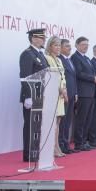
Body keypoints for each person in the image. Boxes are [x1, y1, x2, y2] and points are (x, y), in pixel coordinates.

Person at [19, 28, 49, 162]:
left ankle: (37, 150)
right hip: (32, 95)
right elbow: (25, 76)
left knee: (38, 125)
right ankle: (29, 153)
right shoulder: (27, 54)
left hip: (41, 94)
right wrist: (28, 96)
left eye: (44, 38)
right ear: (33, 38)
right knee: (31, 125)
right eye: (41, 38)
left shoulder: (40, 54)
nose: (43, 40)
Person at [71, 37, 96, 151]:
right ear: (77, 45)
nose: (85, 46)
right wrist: (93, 78)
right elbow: (78, 73)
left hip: (91, 92)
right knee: (81, 119)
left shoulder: (87, 58)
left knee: (88, 118)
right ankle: (79, 142)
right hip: (83, 92)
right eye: (83, 44)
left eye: (87, 45)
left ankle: (84, 141)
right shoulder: (75, 58)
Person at [44, 37, 68, 158]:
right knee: (53, 123)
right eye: (55, 45)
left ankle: (56, 146)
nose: (58, 48)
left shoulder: (59, 60)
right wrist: (59, 89)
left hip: (60, 94)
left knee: (58, 122)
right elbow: (51, 76)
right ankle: (52, 147)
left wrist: (65, 90)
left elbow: (62, 76)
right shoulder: (47, 58)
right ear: (50, 46)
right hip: (52, 93)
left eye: (59, 45)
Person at [58, 39, 78, 153]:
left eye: (70, 46)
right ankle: (61, 145)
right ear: (60, 48)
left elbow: (73, 78)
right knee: (63, 121)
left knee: (68, 121)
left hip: (71, 94)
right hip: (63, 95)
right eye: (66, 46)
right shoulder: (59, 60)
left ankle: (66, 144)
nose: (69, 48)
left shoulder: (69, 60)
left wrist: (75, 92)